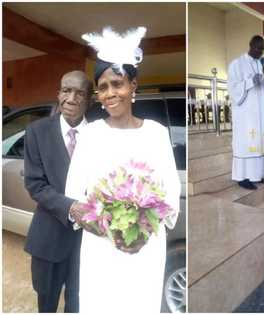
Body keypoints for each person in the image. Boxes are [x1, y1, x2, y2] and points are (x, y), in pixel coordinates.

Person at [65, 27, 181, 313]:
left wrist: (139, 233)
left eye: (117, 84)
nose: (110, 94)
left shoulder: (156, 133)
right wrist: (111, 232)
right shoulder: (90, 135)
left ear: (133, 86)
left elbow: (170, 192)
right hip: (101, 250)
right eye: (102, 88)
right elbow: (73, 196)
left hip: (146, 248)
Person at [23, 71, 93, 312]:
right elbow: (35, 184)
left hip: (90, 241)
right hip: (49, 237)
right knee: (47, 304)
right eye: (66, 90)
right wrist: (70, 207)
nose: (71, 98)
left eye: (80, 93)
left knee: (78, 304)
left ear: (90, 100)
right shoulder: (37, 131)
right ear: (58, 94)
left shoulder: (100, 134)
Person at [227, 35, 264, 190]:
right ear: (251, 46)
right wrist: (250, 81)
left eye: (263, 50)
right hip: (246, 115)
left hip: (260, 113)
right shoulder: (237, 64)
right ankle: (242, 177)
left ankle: (258, 175)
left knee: (260, 142)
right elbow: (233, 89)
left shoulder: (262, 64)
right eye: (258, 49)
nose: (260, 52)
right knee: (247, 143)